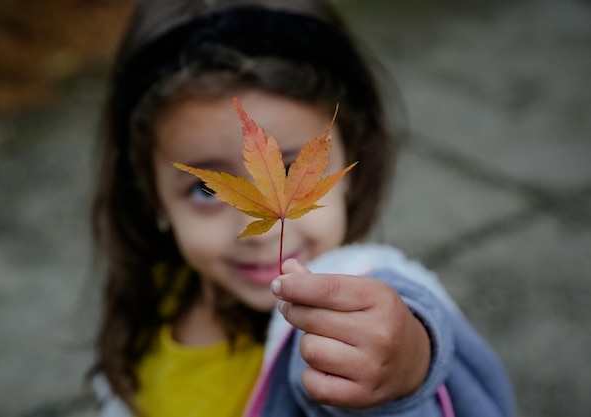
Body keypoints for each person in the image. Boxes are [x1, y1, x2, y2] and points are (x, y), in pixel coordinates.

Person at [89, 0, 516, 416]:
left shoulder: (352, 297)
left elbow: (406, 327)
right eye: (207, 189)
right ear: (150, 195)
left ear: (353, 165)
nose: (263, 230)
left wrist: (405, 366)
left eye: (298, 169)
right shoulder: (157, 294)